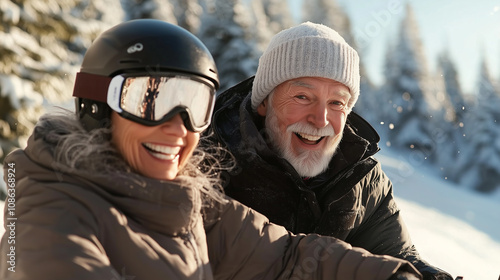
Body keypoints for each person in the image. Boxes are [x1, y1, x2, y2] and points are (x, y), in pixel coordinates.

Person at [0, 19, 422, 280]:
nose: (177, 128)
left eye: (194, 106)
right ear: (98, 104)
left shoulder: (185, 200)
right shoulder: (52, 220)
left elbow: (286, 258)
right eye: (151, 100)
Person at [207, 22, 453, 280]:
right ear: (264, 103)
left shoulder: (362, 180)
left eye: (336, 102)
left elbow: (395, 255)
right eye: (302, 96)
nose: (321, 119)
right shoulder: (209, 161)